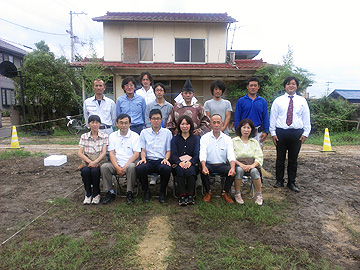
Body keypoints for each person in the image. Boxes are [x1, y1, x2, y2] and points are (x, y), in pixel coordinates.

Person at [270, 76, 311, 192]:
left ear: (297, 86)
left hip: (296, 133)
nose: (291, 86)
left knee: (293, 159)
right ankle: (279, 180)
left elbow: (306, 117)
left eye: (293, 84)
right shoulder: (278, 100)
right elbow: (273, 117)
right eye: (288, 84)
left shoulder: (302, 101)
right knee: (280, 158)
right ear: (285, 86)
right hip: (281, 132)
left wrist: (306, 133)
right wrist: (273, 133)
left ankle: (291, 182)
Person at [100, 114, 140, 204]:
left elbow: (136, 154)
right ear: (117, 124)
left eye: (126, 123)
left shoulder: (135, 136)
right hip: (116, 164)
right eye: (121, 123)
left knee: (132, 167)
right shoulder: (112, 136)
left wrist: (125, 167)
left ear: (129, 124)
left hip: (129, 164)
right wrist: (117, 167)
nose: (123, 125)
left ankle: (129, 192)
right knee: (104, 167)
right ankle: (109, 192)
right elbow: (111, 153)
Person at [136, 109, 173, 203]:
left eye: (158, 118)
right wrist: (143, 158)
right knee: (140, 168)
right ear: (149, 120)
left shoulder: (167, 133)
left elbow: (169, 150)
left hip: (161, 160)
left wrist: (166, 159)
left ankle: (162, 192)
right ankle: (146, 191)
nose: (156, 121)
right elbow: (142, 149)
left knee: (166, 168)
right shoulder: (144, 132)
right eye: (154, 118)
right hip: (149, 160)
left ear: (161, 120)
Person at [200, 114, 236, 203]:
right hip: (209, 164)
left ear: (222, 124)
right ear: (210, 124)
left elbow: (231, 154)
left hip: (222, 165)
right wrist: (204, 166)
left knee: (232, 171)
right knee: (201, 169)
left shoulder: (227, 139)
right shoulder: (204, 138)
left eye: (218, 122)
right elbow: (202, 153)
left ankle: (225, 192)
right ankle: (208, 192)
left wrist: (232, 168)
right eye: (214, 122)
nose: (216, 125)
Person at [78, 115, 108, 205]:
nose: (95, 124)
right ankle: (88, 193)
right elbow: (80, 153)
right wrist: (90, 162)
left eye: (97, 122)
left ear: (99, 124)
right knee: (85, 171)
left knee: (95, 172)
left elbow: (104, 152)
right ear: (89, 124)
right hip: (87, 161)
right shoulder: (84, 136)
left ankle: (96, 193)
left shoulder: (104, 136)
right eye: (92, 122)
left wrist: (95, 162)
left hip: (99, 161)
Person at [232, 119, 264, 205]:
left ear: (251, 130)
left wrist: (252, 165)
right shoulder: (234, 141)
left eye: (248, 128)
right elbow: (231, 156)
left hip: (252, 165)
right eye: (244, 127)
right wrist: (241, 165)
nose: (246, 130)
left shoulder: (254, 142)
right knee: (239, 171)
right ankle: (237, 193)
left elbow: (259, 156)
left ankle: (259, 195)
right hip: (238, 164)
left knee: (255, 172)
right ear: (240, 128)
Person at [171, 115, 200, 206]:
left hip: (192, 163)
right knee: (180, 170)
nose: (185, 126)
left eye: (187, 124)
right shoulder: (175, 139)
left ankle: (190, 195)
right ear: (179, 125)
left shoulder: (196, 139)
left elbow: (197, 154)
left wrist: (190, 162)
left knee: (190, 170)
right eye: (182, 124)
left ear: (190, 125)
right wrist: (180, 163)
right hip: (178, 164)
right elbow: (174, 155)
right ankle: (182, 196)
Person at [234, 77, 269, 147]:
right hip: (244, 130)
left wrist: (266, 131)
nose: (253, 87)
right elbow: (237, 117)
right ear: (247, 87)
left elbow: (265, 117)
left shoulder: (262, 101)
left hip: (257, 131)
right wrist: (237, 131)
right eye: (251, 85)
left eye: (255, 85)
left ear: (258, 87)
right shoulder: (241, 101)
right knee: (244, 151)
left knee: (258, 152)